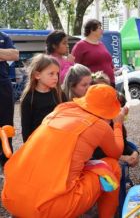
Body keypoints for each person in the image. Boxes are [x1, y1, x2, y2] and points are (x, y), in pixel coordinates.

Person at [2, 84, 125, 217]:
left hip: (11, 198)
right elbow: (116, 153)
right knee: (112, 166)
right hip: (51, 209)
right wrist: (117, 124)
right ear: (108, 112)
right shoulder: (100, 126)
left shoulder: (59, 111)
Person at [20, 54, 65, 143]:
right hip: (38, 142)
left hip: (58, 140)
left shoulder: (59, 94)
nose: (56, 77)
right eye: (51, 74)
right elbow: (26, 127)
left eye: (57, 74)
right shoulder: (29, 98)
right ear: (37, 75)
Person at [71, 19, 115, 87]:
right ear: (92, 30)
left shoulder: (101, 44)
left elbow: (108, 62)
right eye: (99, 28)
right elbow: (74, 67)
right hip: (94, 85)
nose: (102, 31)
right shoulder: (80, 45)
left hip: (110, 82)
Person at [0, 31, 19, 168]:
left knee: (6, 122)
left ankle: (7, 159)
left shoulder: (4, 37)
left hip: (3, 84)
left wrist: (8, 54)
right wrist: (3, 54)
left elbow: (14, 55)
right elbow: (8, 54)